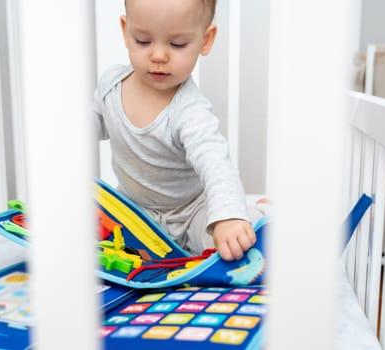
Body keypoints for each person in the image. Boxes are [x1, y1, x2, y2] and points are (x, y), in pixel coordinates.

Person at [94, 0, 262, 261]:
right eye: (142, 40)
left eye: (177, 44)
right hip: (133, 210)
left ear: (205, 40)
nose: (159, 55)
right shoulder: (111, 88)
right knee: (97, 228)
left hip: (191, 211)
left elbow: (215, 163)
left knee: (231, 241)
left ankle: (257, 215)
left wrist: (228, 216)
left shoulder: (189, 110)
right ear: (126, 32)